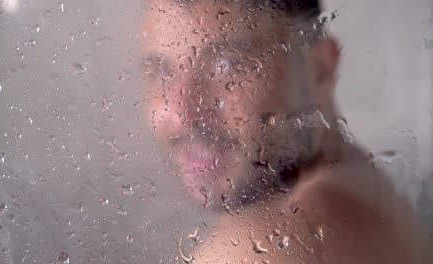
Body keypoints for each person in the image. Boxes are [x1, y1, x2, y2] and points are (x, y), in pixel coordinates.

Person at [141, 0, 432, 262]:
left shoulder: (261, 247)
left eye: (225, 65)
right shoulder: (362, 186)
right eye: (160, 71)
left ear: (319, 69)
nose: (182, 115)